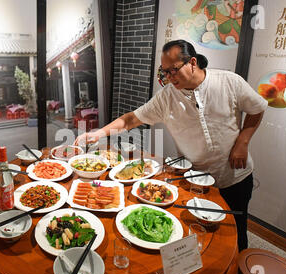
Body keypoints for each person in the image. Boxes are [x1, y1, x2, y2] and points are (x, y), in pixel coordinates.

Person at [75, 39, 267, 252]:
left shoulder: (229, 82)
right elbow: (131, 119)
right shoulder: (166, 97)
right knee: (201, 237)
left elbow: (257, 108)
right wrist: (99, 133)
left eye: (173, 70)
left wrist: (243, 141)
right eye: (164, 72)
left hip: (234, 175)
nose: (168, 77)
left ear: (192, 62)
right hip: (196, 180)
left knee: (236, 235)